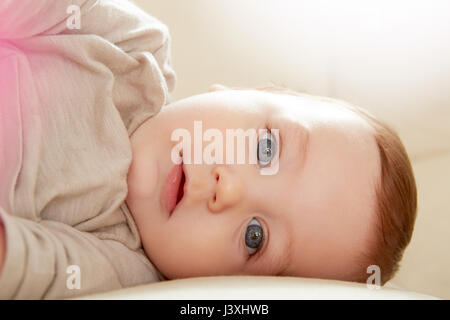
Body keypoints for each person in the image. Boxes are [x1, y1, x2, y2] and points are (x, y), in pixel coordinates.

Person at [0, 0, 417, 299]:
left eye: (255, 237)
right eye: (266, 149)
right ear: (249, 91)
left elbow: (21, 263)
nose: (228, 189)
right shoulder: (132, 49)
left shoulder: (120, 271)